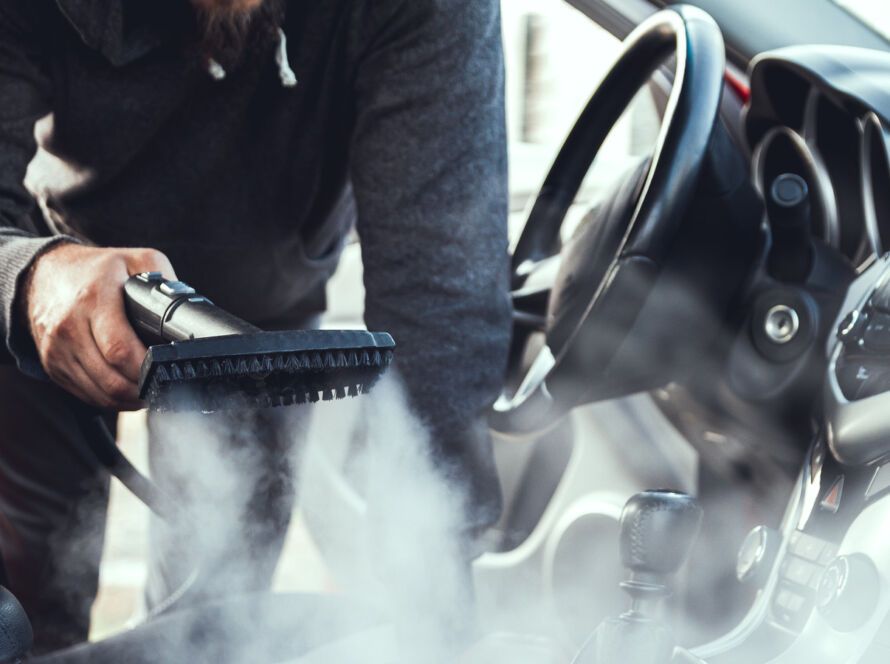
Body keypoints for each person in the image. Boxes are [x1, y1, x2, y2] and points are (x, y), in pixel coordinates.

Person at [0, 0, 511, 653]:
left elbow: (438, 294)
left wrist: (431, 594)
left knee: (222, 626)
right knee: (27, 610)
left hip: (263, 337)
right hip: (52, 294)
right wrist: (29, 279)